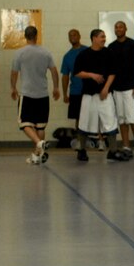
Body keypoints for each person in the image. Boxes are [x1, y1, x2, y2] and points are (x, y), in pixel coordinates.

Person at [10, 26, 60, 164]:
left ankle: (39, 143)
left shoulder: (20, 53)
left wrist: (13, 88)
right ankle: (37, 156)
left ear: (25, 36)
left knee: (24, 123)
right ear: (37, 36)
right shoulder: (46, 52)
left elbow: (14, 73)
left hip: (27, 94)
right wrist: (56, 88)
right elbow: (54, 71)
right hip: (43, 95)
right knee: (40, 126)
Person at [72, 29, 118, 162]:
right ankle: (81, 150)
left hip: (105, 94)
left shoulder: (109, 53)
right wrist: (91, 75)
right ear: (94, 38)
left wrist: (106, 88)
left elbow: (113, 72)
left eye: (104, 37)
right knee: (84, 122)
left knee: (110, 121)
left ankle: (113, 151)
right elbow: (77, 73)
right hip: (88, 94)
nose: (104, 39)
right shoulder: (83, 55)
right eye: (102, 37)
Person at [108, 21, 134, 160]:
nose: (118, 29)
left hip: (129, 87)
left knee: (132, 117)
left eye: (120, 27)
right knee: (121, 118)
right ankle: (126, 146)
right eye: (116, 27)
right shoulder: (111, 47)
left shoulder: (133, 44)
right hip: (116, 88)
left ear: (125, 29)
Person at [60, 29, 87, 130]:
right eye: (70, 36)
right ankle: (81, 141)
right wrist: (64, 94)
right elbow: (65, 76)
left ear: (79, 36)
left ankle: (96, 139)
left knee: (92, 116)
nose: (72, 37)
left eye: (74, 35)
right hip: (75, 92)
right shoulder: (67, 56)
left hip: (89, 91)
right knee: (78, 118)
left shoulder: (87, 51)